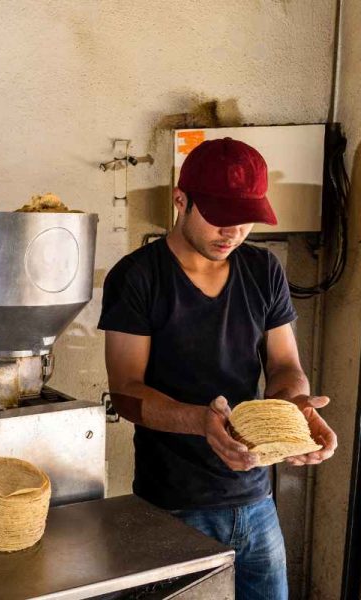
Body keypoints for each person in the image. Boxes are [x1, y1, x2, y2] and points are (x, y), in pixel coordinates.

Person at [97, 137, 338, 600]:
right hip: (173, 504)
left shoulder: (263, 269)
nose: (233, 231)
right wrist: (201, 423)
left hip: (256, 498)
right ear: (181, 201)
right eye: (219, 216)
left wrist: (295, 412)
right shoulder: (138, 276)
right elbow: (126, 390)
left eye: (245, 218)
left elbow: (286, 367)